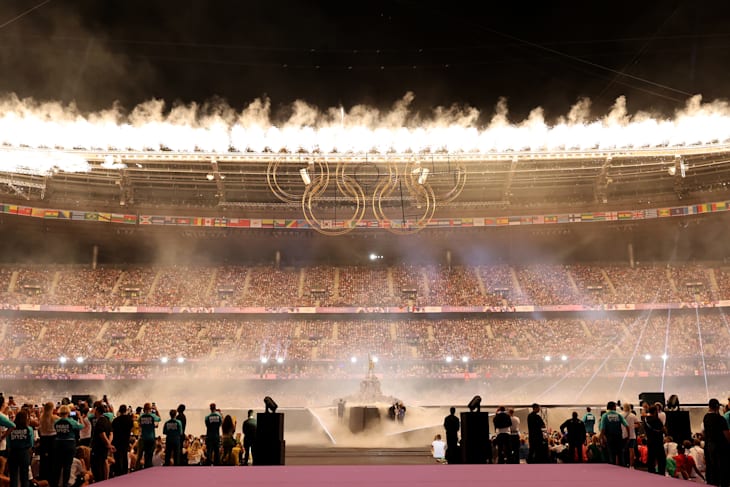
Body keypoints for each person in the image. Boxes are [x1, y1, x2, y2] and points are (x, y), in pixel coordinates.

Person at [52, 405, 84, 487]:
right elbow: (81, 426)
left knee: (58, 466)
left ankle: (55, 483)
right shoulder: (71, 421)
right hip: (69, 444)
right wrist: (80, 417)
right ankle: (65, 484)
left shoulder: (56, 422)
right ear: (68, 412)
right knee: (67, 466)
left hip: (58, 444)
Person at [703, 398, 730, 487]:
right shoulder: (721, 419)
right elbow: (726, 435)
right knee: (722, 469)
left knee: (712, 468)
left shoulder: (706, 417)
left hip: (709, 446)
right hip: (720, 447)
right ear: (717, 407)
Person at [90, 402, 114, 482]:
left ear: (97, 411)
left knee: (97, 465)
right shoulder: (107, 420)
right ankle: (106, 479)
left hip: (98, 447)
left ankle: (99, 480)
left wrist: (108, 444)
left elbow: (102, 434)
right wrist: (109, 443)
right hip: (104, 446)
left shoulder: (99, 421)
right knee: (105, 460)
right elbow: (111, 433)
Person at [598, 401, 628, 466]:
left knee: (611, 455)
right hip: (619, 437)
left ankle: (613, 469)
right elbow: (626, 425)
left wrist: (600, 438)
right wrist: (628, 435)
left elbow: (602, 429)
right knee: (620, 454)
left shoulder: (605, 415)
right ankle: (623, 469)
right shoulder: (618, 415)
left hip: (610, 438)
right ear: (613, 407)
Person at [7, 409, 31, 487]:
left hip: (13, 452)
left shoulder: (11, 428)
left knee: (13, 476)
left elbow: (8, 442)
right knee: (24, 476)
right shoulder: (28, 429)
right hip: (24, 453)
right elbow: (30, 443)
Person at [37, 402, 58, 483]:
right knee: (53, 459)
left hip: (43, 440)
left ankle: (43, 477)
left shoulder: (41, 418)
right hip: (53, 439)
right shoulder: (55, 417)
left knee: (44, 459)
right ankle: (52, 478)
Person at [111, 404, 133, 476]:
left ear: (119, 411)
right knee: (124, 455)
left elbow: (113, 430)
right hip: (126, 440)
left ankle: (118, 472)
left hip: (117, 440)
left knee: (118, 457)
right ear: (126, 410)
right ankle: (125, 471)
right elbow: (131, 428)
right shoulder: (129, 419)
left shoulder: (116, 420)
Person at [644, 404, 666, 476]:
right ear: (655, 411)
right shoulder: (656, 420)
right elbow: (663, 430)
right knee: (661, 458)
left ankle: (651, 471)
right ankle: (661, 472)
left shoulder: (645, 419)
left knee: (651, 457)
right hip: (658, 440)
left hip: (650, 440)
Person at [138, 403, 160, 469]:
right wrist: (156, 410)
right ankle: (148, 468)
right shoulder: (152, 416)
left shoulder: (141, 416)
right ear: (150, 409)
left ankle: (145, 467)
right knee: (150, 454)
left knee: (146, 454)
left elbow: (140, 425)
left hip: (144, 437)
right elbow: (159, 419)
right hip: (151, 437)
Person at [621, 403, 639, 469]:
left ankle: (623, 464)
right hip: (632, 435)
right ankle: (631, 466)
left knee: (622, 450)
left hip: (623, 435)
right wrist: (632, 426)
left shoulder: (620, 415)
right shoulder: (633, 415)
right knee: (631, 450)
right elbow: (638, 424)